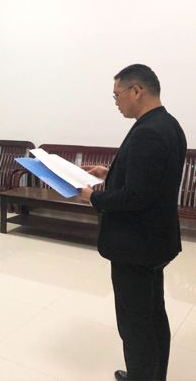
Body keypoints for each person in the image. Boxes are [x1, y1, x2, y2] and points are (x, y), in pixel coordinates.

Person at [80, 64, 186, 381]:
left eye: (117, 95)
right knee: (152, 314)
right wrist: (109, 173)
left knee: (135, 324)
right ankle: (153, 375)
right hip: (155, 241)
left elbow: (136, 197)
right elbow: (150, 181)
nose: (116, 103)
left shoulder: (148, 132)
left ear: (136, 91)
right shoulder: (168, 124)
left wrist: (93, 197)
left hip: (135, 245)